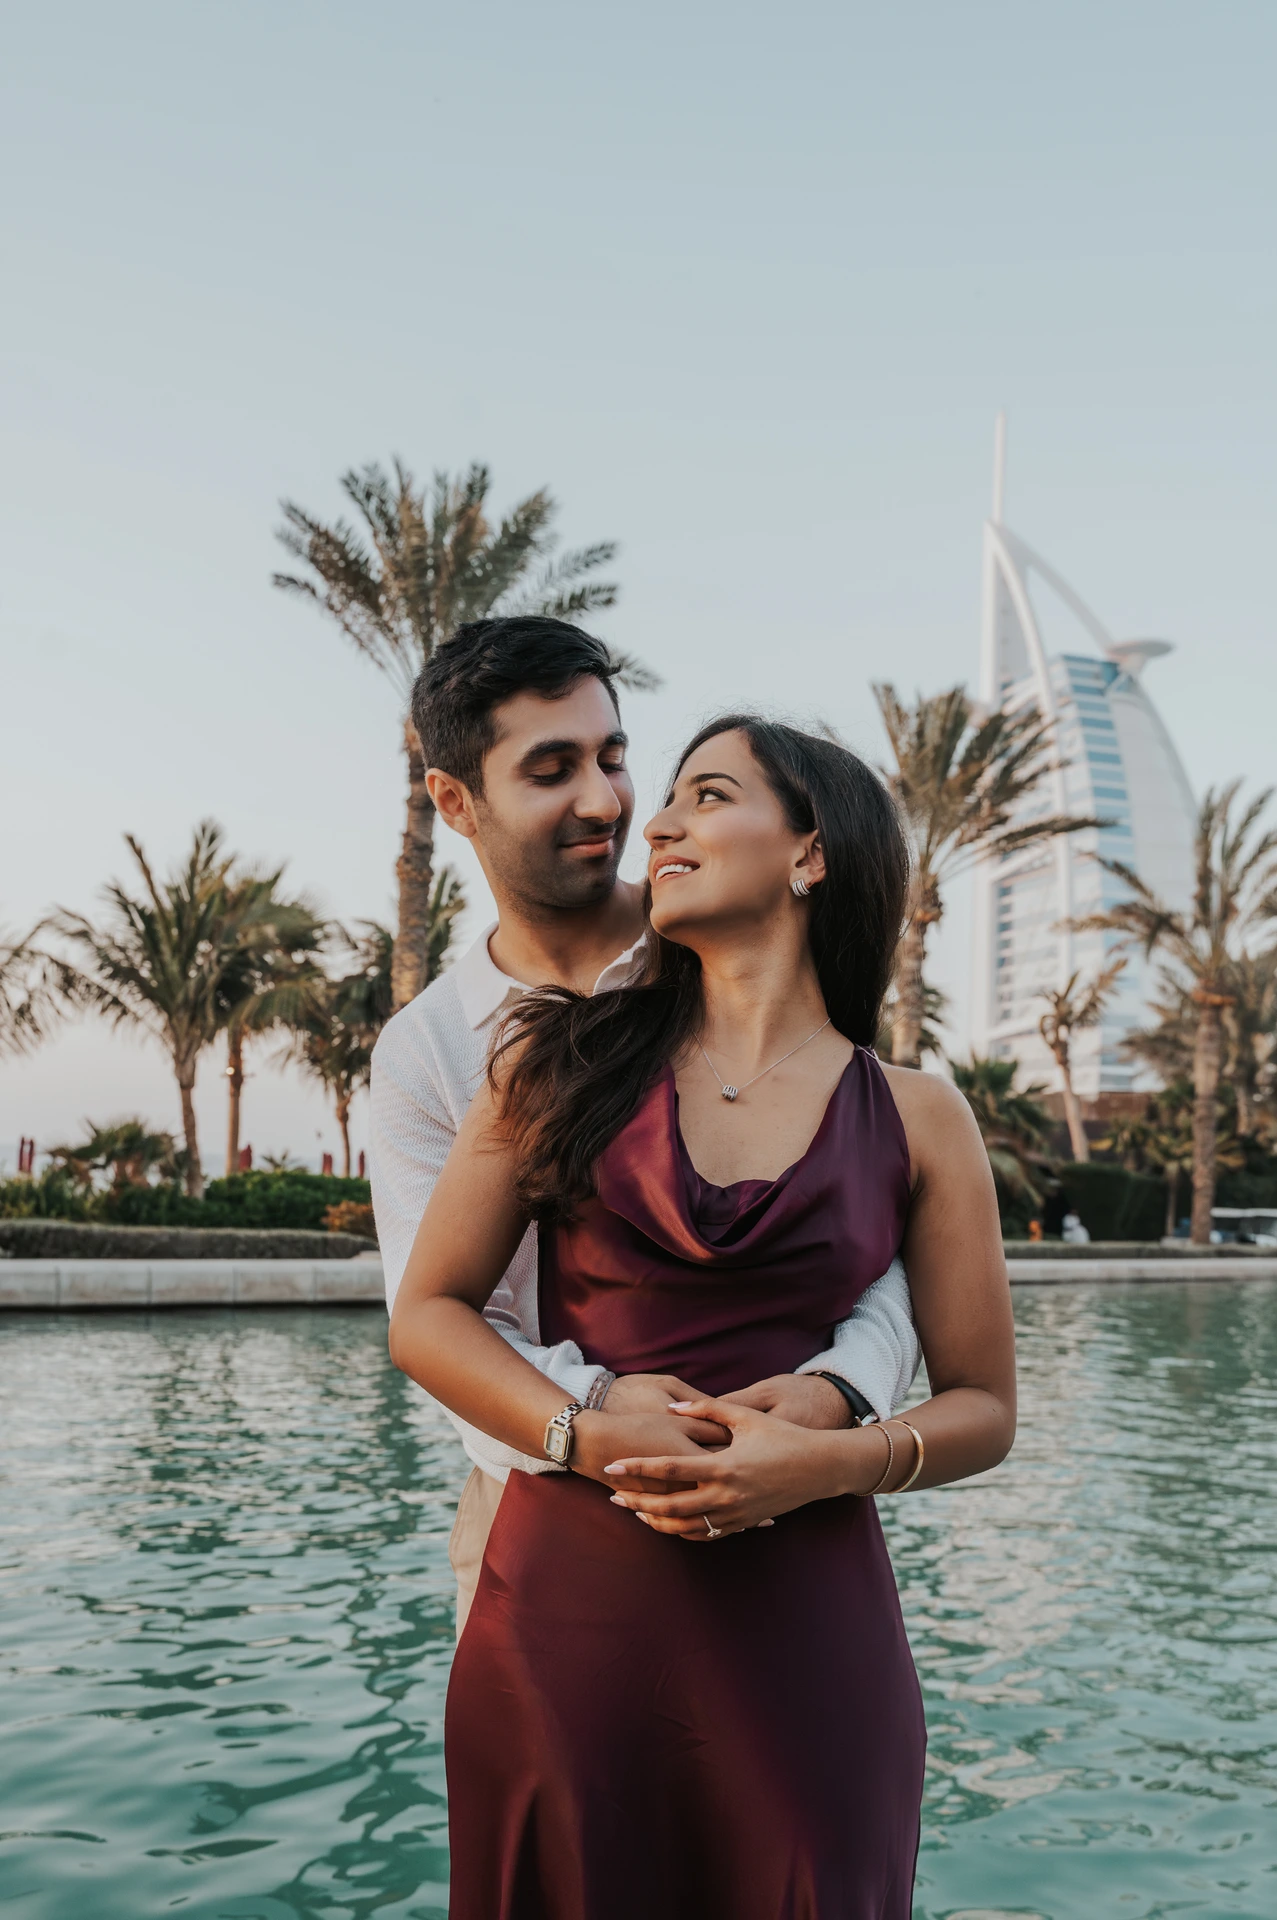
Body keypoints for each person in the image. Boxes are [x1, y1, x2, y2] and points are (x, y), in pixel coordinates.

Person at [388, 711, 1017, 1918]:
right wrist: (579, 1425)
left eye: (707, 794)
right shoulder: (551, 1060)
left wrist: (833, 1461)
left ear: (809, 853)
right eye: (664, 796)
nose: (655, 821)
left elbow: (985, 1407)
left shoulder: (921, 1117)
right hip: (564, 1624)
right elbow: (427, 1314)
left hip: (811, 1643)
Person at [370, 616, 920, 1634]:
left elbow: (872, 1201)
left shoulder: (734, 938)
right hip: (536, 1511)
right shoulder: (430, 1052)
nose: (605, 801)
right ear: (453, 802)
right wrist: (600, 1419)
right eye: (550, 769)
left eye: (613, 757)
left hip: (789, 1489)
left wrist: (840, 1394)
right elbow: (441, 1312)